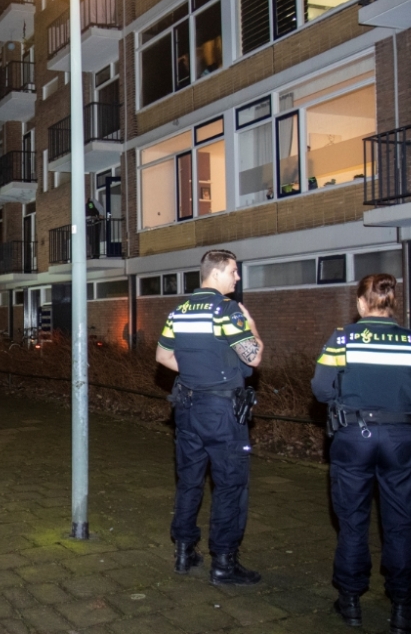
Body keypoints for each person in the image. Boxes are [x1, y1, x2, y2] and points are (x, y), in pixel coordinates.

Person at [311, 274, 411, 633]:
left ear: (360, 303)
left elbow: (320, 390)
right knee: (400, 526)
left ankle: (350, 602)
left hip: (353, 436)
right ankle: (402, 609)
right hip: (403, 438)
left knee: (352, 522)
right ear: (392, 302)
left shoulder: (343, 339)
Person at [156, 249, 264, 585]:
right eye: (233, 270)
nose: (237, 277)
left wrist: (192, 374)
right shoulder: (227, 310)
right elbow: (255, 357)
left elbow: (162, 355)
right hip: (221, 412)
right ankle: (224, 564)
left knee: (189, 480)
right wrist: (251, 325)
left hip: (186, 408)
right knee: (230, 485)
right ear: (216, 273)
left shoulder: (180, 311)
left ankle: (185, 551)